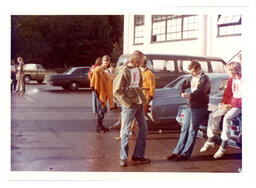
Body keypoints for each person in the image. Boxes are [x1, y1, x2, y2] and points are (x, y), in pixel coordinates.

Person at [166, 60, 210, 161]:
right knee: (184, 129)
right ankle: (177, 151)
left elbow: (201, 91)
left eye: (194, 72)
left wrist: (190, 95)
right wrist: (182, 92)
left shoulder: (205, 79)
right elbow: (182, 85)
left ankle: (186, 154)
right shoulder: (192, 78)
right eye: (190, 72)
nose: (192, 74)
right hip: (190, 106)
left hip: (199, 107)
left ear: (199, 69)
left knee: (192, 130)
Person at [113, 50, 151, 167]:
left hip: (138, 103)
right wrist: (127, 103)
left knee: (144, 128)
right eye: (141, 60)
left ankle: (138, 155)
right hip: (129, 105)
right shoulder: (124, 71)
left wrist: (141, 98)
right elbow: (116, 91)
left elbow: (138, 85)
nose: (143, 62)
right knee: (125, 131)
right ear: (135, 60)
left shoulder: (138, 69)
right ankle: (123, 157)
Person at [200, 61, 242, 159]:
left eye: (228, 70)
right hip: (231, 104)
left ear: (234, 70)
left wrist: (230, 105)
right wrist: (222, 103)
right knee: (213, 115)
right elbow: (227, 93)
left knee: (227, 118)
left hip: (239, 105)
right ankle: (210, 140)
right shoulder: (231, 80)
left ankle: (223, 147)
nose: (227, 72)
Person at [90, 55, 112, 133]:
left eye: (107, 61)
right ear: (102, 61)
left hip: (105, 93)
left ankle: (101, 125)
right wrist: (96, 91)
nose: (106, 62)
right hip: (99, 92)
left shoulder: (107, 70)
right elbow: (93, 80)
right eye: (105, 61)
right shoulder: (98, 69)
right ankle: (98, 127)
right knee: (101, 109)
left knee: (103, 110)